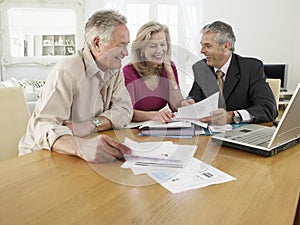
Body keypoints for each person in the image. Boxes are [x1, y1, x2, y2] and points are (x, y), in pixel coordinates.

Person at [19, 10, 133, 163]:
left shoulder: (114, 71)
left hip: (78, 154)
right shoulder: (67, 71)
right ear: (97, 43)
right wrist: (81, 146)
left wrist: (90, 125)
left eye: (127, 45)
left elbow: (125, 110)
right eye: (120, 45)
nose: (126, 53)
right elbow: (43, 127)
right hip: (40, 157)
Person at [182, 21, 278, 125]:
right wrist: (189, 102)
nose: (202, 51)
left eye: (208, 46)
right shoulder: (201, 68)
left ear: (226, 46)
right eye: (202, 45)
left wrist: (233, 116)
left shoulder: (251, 68)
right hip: (209, 136)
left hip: (242, 135)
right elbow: (195, 97)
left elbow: (269, 109)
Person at [123, 21, 184, 123]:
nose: (159, 50)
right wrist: (156, 115)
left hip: (155, 126)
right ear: (141, 49)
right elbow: (127, 112)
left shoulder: (169, 67)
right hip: (134, 129)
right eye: (153, 46)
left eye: (163, 44)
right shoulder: (129, 71)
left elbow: (177, 107)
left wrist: (170, 73)